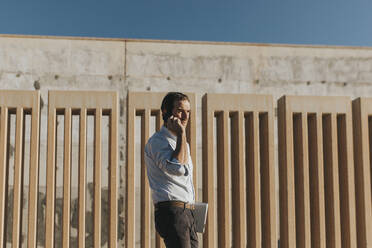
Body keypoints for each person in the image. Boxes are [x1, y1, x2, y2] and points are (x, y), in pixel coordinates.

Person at [144, 92, 198, 248]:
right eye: (180, 110)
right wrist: (182, 133)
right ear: (165, 112)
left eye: (188, 112)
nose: (185, 116)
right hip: (172, 212)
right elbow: (176, 168)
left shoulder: (183, 144)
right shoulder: (157, 141)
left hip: (187, 213)